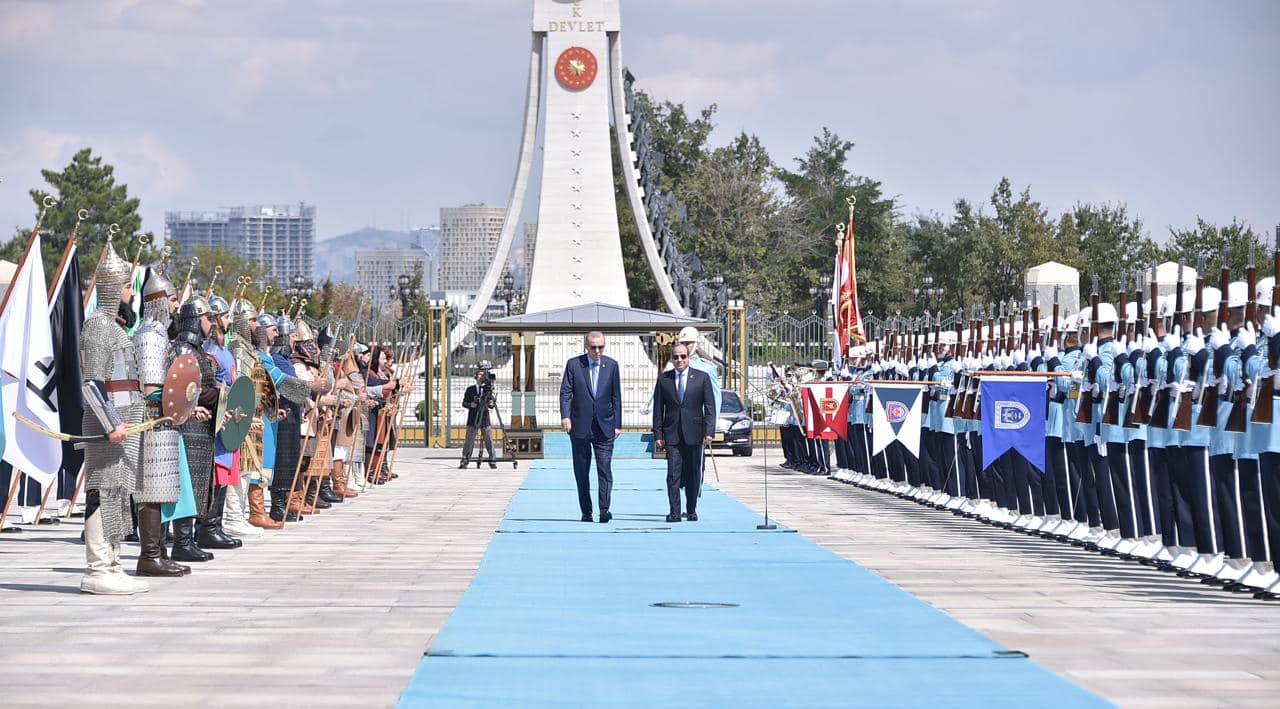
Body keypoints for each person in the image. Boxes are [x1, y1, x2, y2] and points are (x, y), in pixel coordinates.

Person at [559, 331, 622, 523]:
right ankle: (586, 511)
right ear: (586, 346)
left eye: (600, 347)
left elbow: (616, 396)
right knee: (581, 471)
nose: (597, 351)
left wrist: (617, 424)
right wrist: (566, 416)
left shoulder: (611, 365)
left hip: (605, 427)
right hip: (580, 427)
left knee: (604, 469)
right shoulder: (574, 364)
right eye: (593, 347)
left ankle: (604, 508)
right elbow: (565, 392)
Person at [653, 343, 715, 523]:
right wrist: (658, 435)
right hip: (672, 435)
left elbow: (709, 407)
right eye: (675, 357)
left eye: (682, 356)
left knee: (693, 474)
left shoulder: (702, 378)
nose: (679, 360)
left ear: (688, 358)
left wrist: (709, 431)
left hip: (695, 434)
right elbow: (658, 409)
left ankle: (691, 509)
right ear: (671, 359)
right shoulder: (664, 379)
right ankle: (674, 512)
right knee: (673, 474)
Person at [461, 368, 497, 468]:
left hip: (485, 418)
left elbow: (492, 403)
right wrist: (470, 404)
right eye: (480, 375)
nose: (481, 377)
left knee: (489, 439)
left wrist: (491, 403)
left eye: (483, 375)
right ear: (476, 376)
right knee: (469, 440)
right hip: (473, 418)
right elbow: (464, 403)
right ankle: (465, 459)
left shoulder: (488, 389)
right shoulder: (470, 389)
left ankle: (492, 459)